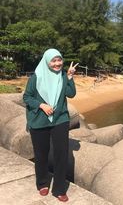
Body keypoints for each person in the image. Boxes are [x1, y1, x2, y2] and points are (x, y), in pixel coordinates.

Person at [23, 48, 78, 202]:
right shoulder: (36, 77)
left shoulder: (62, 75)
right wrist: (41, 105)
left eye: (59, 60)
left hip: (60, 119)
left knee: (61, 154)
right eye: (53, 60)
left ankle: (59, 189)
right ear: (47, 61)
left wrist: (70, 77)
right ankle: (42, 183)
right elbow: (27, 97)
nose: (57, 63)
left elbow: (71, 93)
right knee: (41, 154)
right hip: (39, 120)